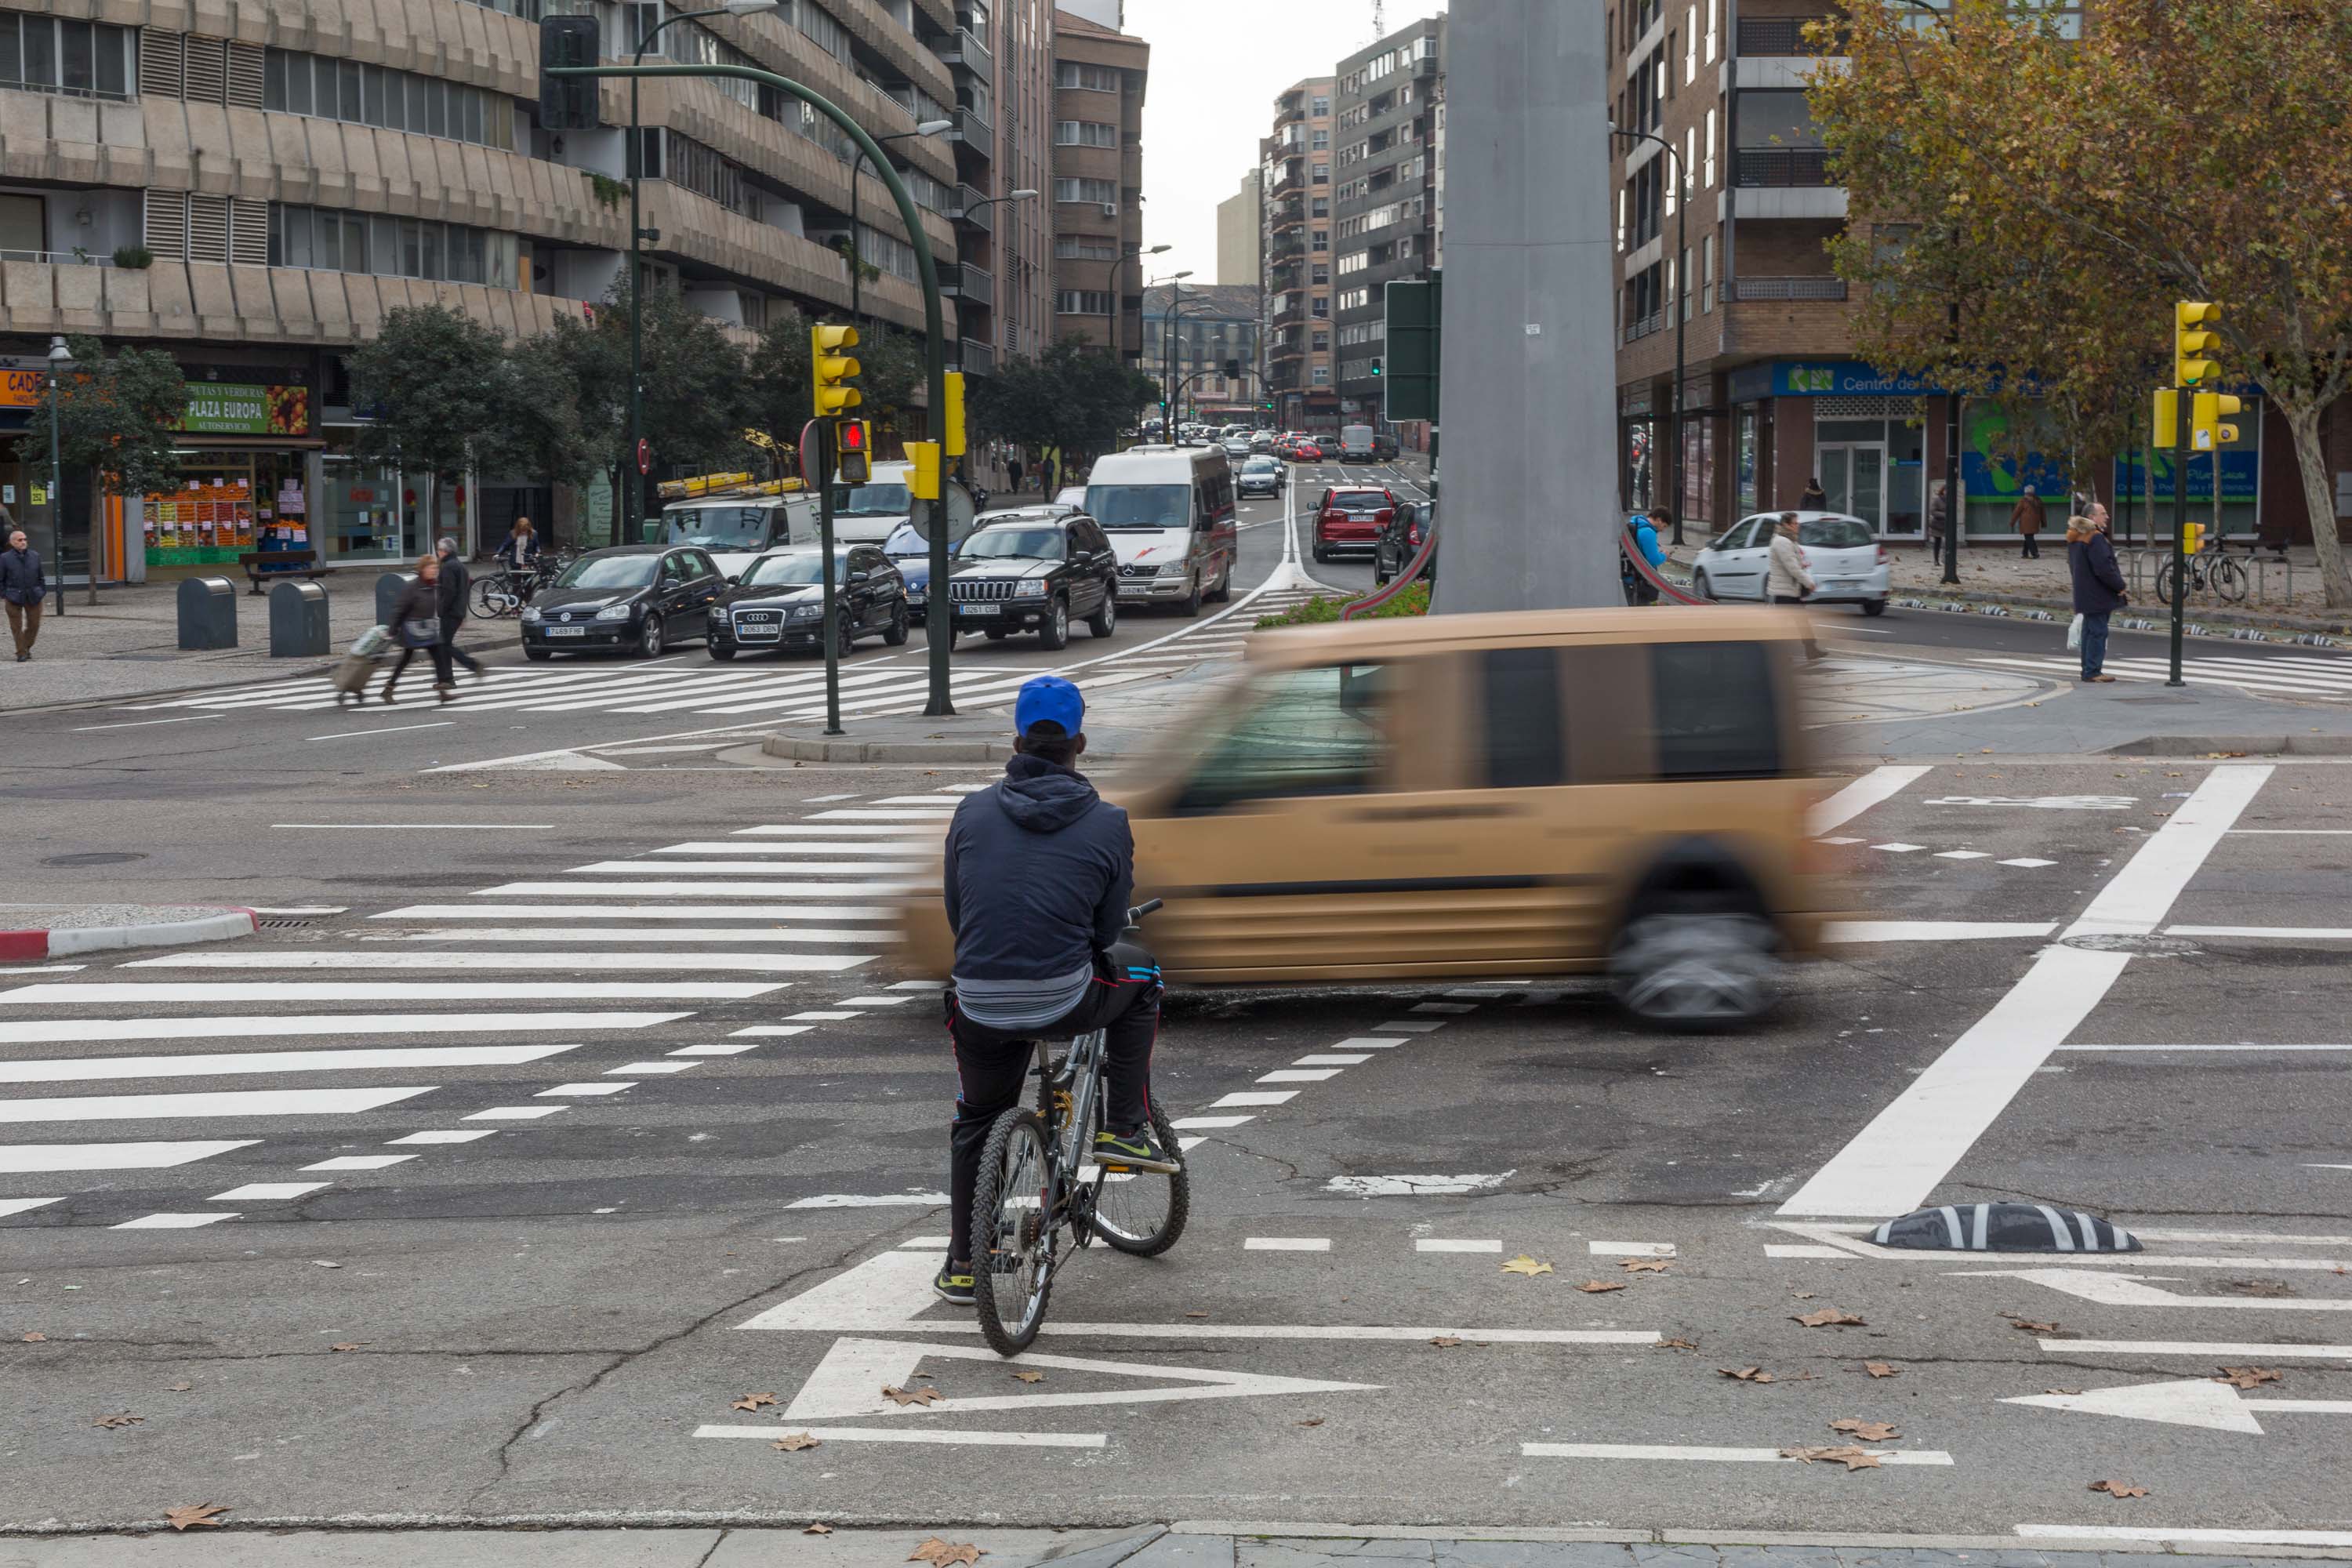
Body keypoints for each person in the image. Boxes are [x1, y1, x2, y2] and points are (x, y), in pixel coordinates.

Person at [937, 676, 1170, 1306]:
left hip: (979, 1001)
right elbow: (1106, 928)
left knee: (977, 1118)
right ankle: (1123, 1126)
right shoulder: (1108, 821)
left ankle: (963, 1264)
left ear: (1016, 742)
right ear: (1079, 744)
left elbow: (959, 911)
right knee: (1142, 975)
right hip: (1066, 998)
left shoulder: (971, 811)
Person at [383, 555, 456, 703]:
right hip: (411, 629)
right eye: (431, 568)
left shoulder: (434, 585)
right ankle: (388, 689)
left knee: (438, 655)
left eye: (436, 568)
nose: (434, 571)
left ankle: (442, 691)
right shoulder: (412, 587)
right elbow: (399, 609)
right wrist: (393, 629)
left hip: (427, 626)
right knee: (405, 660)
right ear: (423, 569)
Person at [2067, 503, 2126, 684]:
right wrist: (2119, 586)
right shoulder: (2095, 537)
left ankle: (2088, 669)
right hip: (2098, 593)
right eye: (2103, 513)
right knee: (2098, 632)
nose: (2107, 517)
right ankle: (2093, 671)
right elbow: (2104, 568)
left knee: (2089, 631)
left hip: (2084, 591)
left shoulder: (2076, 536)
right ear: (2092, 517)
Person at [1766, 511, 1823, 660]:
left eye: (1798, 523)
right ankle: (1781, 654)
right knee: (1786, 624)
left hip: (1791, 589)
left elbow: (1796, 564)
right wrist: (1808, 582)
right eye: (1795, 523)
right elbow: (1792, 567)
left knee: (1800, 622)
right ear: (1786, 524)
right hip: (1784, 591)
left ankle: (1810, 650)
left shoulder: (1789, 540)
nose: (1798, 526)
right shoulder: (1782, 542)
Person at [434, 535, 485, 682]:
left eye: (439, 550)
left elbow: (449, 591)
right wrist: (463, 614)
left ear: (444, 551)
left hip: (450, 612)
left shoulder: (448, 567)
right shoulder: (460, 566)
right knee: (445, 644)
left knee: (444, 644)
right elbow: (465, 591)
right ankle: (448, 679)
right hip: (458, 611)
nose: (438, 553)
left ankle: (472, 665)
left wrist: (442, 609)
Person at [2, 525, 43, 662]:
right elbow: (1, 579)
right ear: (12, 542)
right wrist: (5, 594)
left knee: (34, 625)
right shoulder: (5, 558)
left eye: (25, 539)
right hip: (13, 596)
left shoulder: (35, 556)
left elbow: (41, 577)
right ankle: (21, 653)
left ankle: (26, 647)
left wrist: (41, 590)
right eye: (20, 540)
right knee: (16, 627)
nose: (23, 542)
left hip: (33, 595)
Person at [1622, 512, 1665, 605]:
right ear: (1659, 520)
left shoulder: (1635, 524)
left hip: (1629, 575)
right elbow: (1654, 560)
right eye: (1664, 526)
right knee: (1641, 610)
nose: (1663, 530)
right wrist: (1665, 555)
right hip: (1639, 580)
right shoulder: (1648, 532)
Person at [495, 517, 542, 599]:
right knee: (516, 586)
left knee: (528, 586)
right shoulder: (513, 534)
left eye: (525, 530)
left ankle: (527, 602)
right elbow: (505, 545)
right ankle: (516, 603)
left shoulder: (534, 534)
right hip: (516, 563)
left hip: (528, 563)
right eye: (522, 530)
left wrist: (538, 552)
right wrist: (498, 553)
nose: (523, 532)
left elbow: (537, 545)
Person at [2013, 485, 2046, 559]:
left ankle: (2035, 553)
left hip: (2026, 523)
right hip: (2035, 523)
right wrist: (2043, 523)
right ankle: (2025, 553)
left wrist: (2012, 522)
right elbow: (2043, 513)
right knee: (2029, 537)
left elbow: (2016, 512)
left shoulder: (2023, 501)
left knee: (2029, 538)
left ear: (2025, 492)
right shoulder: (2038, 500)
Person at [1927, 481, 1951, 567]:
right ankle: (1936, 560)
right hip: (1938, 524)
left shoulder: (1951, 500)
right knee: (1937, 542)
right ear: (1943, 491)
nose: (1947, 492)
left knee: (1948, 542)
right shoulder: (1937, 500)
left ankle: (1947, 559)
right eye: (1946, 490)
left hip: (1947, 524)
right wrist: (1944, 515)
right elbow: (1932, 511)